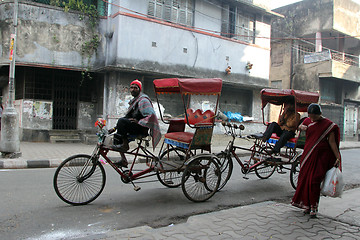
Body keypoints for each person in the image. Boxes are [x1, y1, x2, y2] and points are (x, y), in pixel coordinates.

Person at [291, 103, 341, 218]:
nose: (312, 119)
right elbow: (300, 127)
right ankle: (306, 205)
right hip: (308, 155)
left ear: (320, 114)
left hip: (321, 157)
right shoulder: (308, 121)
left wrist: (337, 156)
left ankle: (314, 207)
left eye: (315, 116)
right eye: (311, 116)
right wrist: (301, 127)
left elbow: (332, 142)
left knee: (314, 181)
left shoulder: (328, 125)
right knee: (304, 179)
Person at [109, 80, 161, 167]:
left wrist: (139, 122)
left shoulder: (143, 100)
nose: (133, 89)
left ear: (139, 89)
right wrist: (114, 128)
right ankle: (124, 160)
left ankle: (125, 145)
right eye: (131, 87)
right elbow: (127, 117)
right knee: (117, 137)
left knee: (121, 121)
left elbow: (152, 116)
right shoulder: (134, 101)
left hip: (141, 128)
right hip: (134, 126)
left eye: (135, 88)